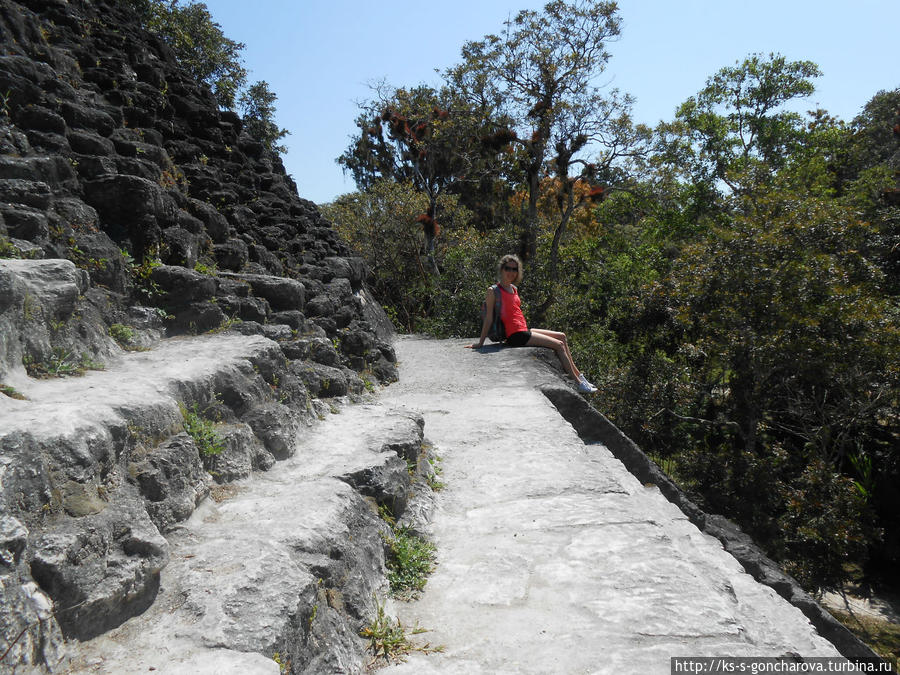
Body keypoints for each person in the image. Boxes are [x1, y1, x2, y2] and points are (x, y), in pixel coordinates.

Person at [468, 254, 598, 394]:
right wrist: (480, 343)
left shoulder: (514, 289)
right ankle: (578, 384)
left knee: (562, 336)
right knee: (559, 345)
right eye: (508, 268)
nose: (511, 272)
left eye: (514, 269)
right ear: (501, 269)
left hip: (523, 330)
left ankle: (579, 375)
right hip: (515, 335)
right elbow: (488, 318)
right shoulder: (493, 291)